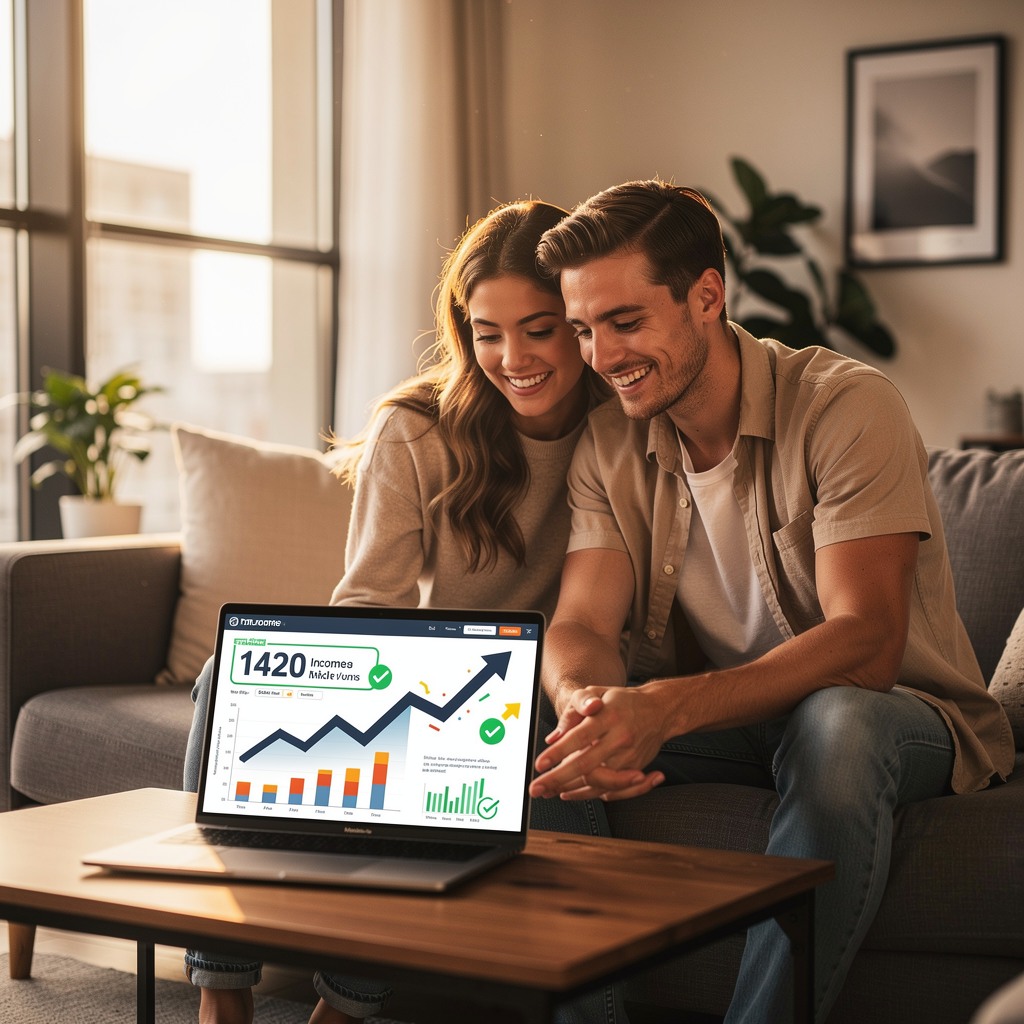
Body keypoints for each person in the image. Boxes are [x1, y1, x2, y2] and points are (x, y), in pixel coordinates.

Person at [528, 180, 1014, 1024]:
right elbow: (579, 623)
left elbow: (866, 642)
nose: (600, 356)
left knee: (838, 721)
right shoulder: (609, 442)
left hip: (900, 715)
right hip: (738, 722)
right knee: (540, 740)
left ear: (706, 296)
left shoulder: (845, 406)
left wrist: (666, 707)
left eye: (625, 321)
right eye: (582, 329)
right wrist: (586, 706)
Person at [181, 199, 612, 1024]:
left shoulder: (619, 427)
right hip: (438, 663)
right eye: (488, 333)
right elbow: (367, 602)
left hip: (549, 683)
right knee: (222, 680)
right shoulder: (416, 428)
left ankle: (345, 1006)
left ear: (579, 322)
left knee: (460, 742)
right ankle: (221, 988)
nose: (512, 358)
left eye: (539, 329)